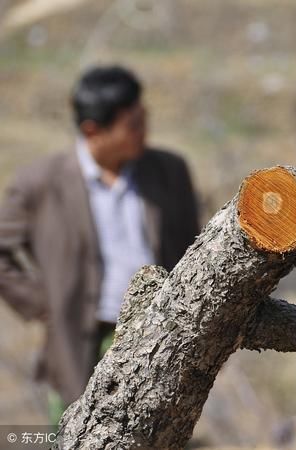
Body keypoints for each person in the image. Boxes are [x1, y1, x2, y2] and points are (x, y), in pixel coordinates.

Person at [0, 65, 200, 424]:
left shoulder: (169, 171)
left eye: (144, 118)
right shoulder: (40, 183)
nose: (144, 131)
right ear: (93, 130)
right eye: (132, 125)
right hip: (77, 341)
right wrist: (42, 303)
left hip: (157, 335)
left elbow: (195, 249)